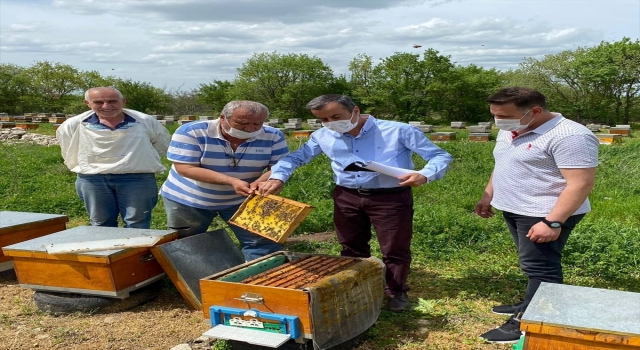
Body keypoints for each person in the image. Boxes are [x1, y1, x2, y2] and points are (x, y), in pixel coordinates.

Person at [258, 94, 453, 312]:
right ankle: (355, 287)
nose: (331, 123)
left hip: (390, 197)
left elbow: (440, 156)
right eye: (324, 119)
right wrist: (278, 177)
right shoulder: (323, 135)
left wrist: (424, 175)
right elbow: (295, 158)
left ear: (356, 111)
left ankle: (396, 292)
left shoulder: (398, 130)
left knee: (394, 248)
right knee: (350, 246)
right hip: (346, 196)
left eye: (336, 116)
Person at [475, 87, 598, 343]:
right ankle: (532, 302)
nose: (498, 121)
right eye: (495, 115)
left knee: (541, 267)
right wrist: (489, 195)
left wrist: (553, 222)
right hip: (516, 208)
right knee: (531, 264)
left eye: (504, 116)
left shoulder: (570, 135)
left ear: (535, 111)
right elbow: (503, 164)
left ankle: (530, 321)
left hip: (546, 213)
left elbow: (581, 184)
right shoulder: (510, 130)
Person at [160, 100, 289, 261]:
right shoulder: (191, 131)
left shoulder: (273, 135)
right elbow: (185, 168)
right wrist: (231, 181)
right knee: (187, 243)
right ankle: (195, 279)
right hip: (189, 198)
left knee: (262, 242)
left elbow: (279, 167)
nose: (250, 129)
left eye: (257, 124)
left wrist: (266, 182)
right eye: (242, 123)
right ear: (223, 118)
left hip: (246, 197)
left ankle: (262, 279)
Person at [56, 87, 170, 229]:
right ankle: (108, 251)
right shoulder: (72, 124)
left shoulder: (145, 121)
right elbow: (69, 149)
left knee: (137, 223)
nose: (106, 106)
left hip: (138, 178)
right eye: (99, 102)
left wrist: (136, 160)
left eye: (112, 101)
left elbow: (161, 145)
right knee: (101, 224)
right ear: (87, 103)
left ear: (123, 101)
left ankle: (137, 252)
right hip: (93, 179)